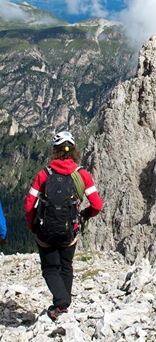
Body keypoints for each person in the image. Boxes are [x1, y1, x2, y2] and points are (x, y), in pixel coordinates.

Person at [25, 130, 103, 320]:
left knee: (50, 268)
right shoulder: (82, 174)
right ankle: (62, 306)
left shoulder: (44, 174)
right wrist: (85, 214)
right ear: (74, 151)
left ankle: (61, 304)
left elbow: (29, 204)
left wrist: (32, 226)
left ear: (55, 151)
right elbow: (97, 204)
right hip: (70, 231)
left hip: (45, 231)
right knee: (66, 266)